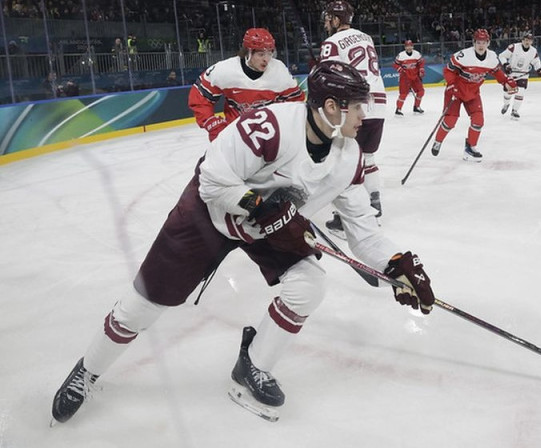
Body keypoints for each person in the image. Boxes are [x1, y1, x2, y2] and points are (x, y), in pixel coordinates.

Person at [50, 60, 437, 424]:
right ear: (331, 107)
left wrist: (394, 262)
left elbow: (362, 228)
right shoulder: (268, 126)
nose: (363, 116)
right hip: (209, 214)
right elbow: (213, 180)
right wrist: (255, 205)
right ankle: (88, 370)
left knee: (309, 284)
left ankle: (252, 365)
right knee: (143, 307)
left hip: (272, 226)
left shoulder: (348, 156)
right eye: (357, 108)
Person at [319, 1, 387, 232]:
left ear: (336, 19)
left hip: (355, 103)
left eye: (329, 18)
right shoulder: (366, 37)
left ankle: (344, 216)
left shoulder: (332, 41)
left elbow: (328, 74)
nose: (326, 22)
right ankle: (375, 205)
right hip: (379, 102)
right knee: (368, 158)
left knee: (342, 161)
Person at [188, 28, 304, 142]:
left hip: (269, 137)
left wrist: (284, 124)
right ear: (248, 52)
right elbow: (199, 96)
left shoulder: (279, 71)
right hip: (235, 137)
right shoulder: (225, 70)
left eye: (270, 53)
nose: (266, 59)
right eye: (261, 54)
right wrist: (211, 123)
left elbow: (295, 103)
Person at [429, 28, 517, 162]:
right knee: (450, 121)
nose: (481, 45)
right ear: (474, 42)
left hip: (473, 93)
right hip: (456, 91)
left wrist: (506, 82)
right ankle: (438, 141)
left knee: (478, 121)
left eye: (484, 42)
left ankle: (470, 148)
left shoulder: (492, 57)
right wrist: (452, 84)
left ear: (488, 43)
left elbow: (497, 73)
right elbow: (448, 71)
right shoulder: (463, 56)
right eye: (478, 42)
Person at [498, 31, 541, 120]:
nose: (527, 42)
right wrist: (506, 65)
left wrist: (539, 69)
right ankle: (506, 104)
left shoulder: (533, 51)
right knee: (508, 93)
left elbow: (536, 61)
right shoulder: (514, 47)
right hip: (511, 74)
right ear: (522, 40)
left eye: (530, 40)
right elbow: (502, 56)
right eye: (526, 40)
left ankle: (514, 111)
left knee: (521, 91)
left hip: (523, 74)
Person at [393, 40, 426, 116]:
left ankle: (416, 107)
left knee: (421, 91)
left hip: (415, 76)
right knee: (403, 94)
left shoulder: (417, 54)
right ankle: (398, 109)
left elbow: (421, 63)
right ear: (405, 47)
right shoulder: (401, 55)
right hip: (405, 77)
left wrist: (421, 69)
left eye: (410, 46)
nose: (409, 47)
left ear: (413, 46)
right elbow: (395, 64)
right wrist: (400, 69)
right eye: (407, 46)